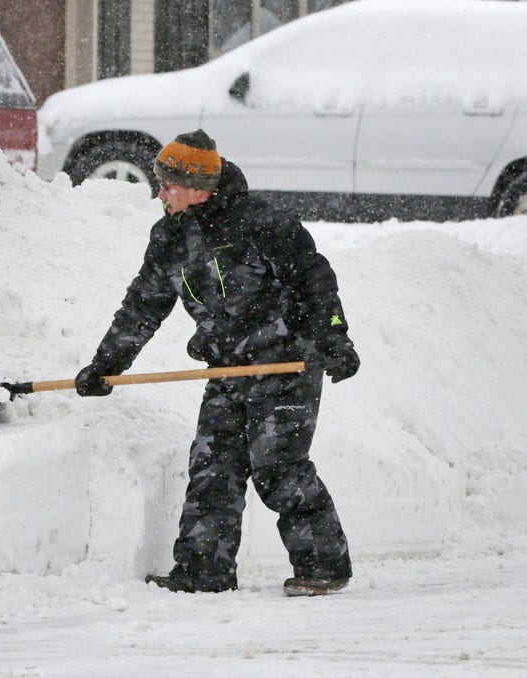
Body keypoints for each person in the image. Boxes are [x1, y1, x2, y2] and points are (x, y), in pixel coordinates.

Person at [75, 130, 359, 597]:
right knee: (214, 466)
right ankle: (203, 571)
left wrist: (335, 336)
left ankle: (323, 565)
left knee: (278, 465)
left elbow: (317, 282)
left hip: (286, 364)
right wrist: (106, 364)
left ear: (198, 186)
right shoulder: (169, 236)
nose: (159, 193)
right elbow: (143, 305)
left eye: (168, 185)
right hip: (227, 369)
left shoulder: (263, 223)